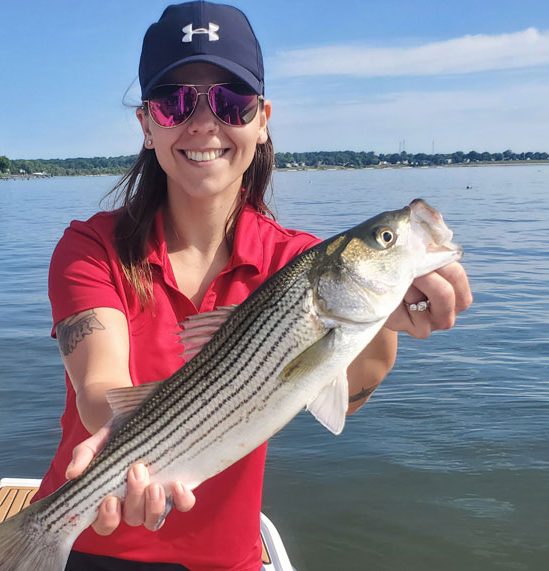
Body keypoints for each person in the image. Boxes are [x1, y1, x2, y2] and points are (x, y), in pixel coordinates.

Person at [33, 2, 473, 570]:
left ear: (262, 120)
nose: (203, 124)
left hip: (224, 558)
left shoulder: (297, 259)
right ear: (146, 123)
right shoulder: (90, 247)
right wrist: (124, 441)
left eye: (231, 101)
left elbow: (346, 399)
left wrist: (387, 321)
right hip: (92, 534)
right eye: (173, 103)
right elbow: (101, 386)